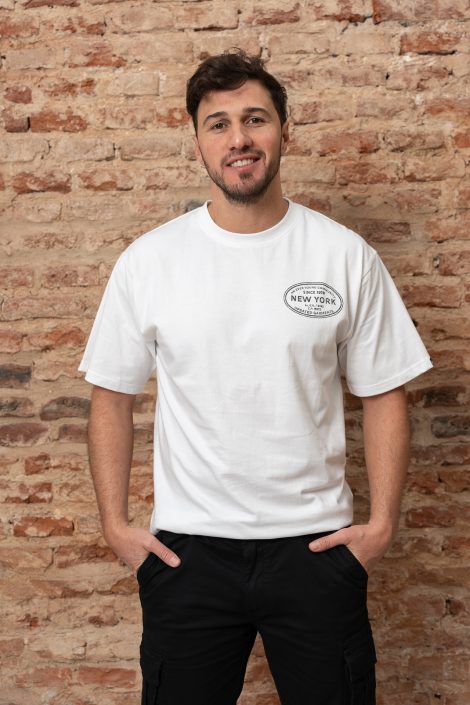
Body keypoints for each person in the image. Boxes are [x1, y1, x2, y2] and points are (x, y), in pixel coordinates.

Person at [79, 48, 433, 705]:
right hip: (188, 553)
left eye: (255, 119)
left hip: (316, 548)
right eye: (218, 124)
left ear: (284, 132)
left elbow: (385, 389)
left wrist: (381, 525)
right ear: (198, 144)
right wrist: (116, 525)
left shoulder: (343, 254)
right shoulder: (151, 261)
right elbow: (111, 395)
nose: (238, 138)